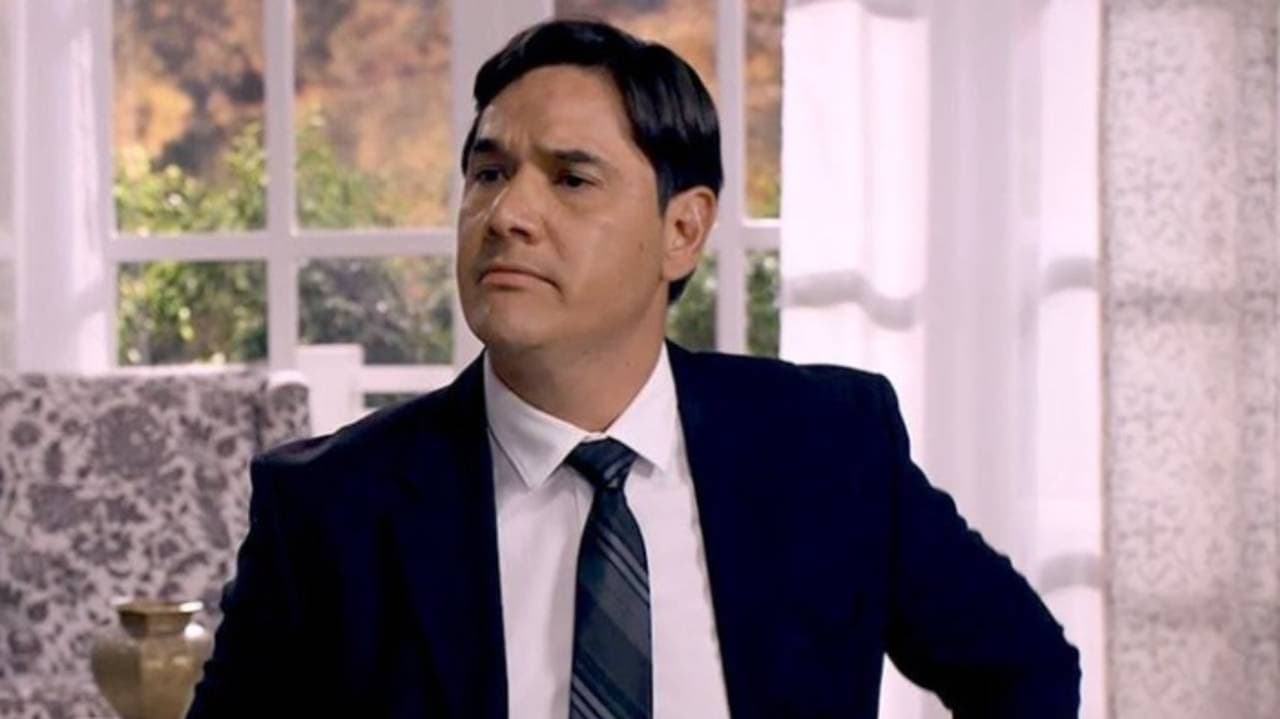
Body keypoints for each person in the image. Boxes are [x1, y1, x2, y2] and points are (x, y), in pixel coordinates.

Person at [187, 18, 1079, 719]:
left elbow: (1026, 670)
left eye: (570, 179)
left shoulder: (829, 447)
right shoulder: (331, 508)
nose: (507, 214)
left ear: (683, 229)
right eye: (488, 173)